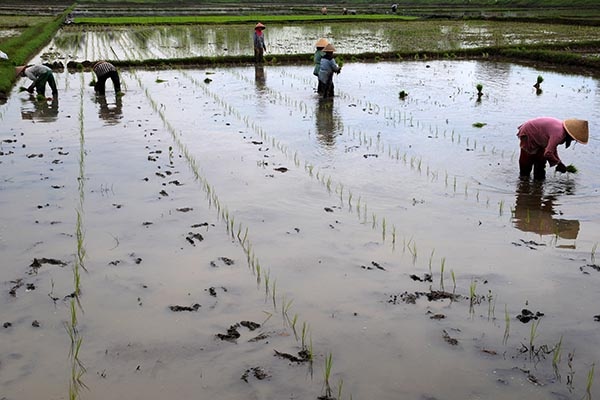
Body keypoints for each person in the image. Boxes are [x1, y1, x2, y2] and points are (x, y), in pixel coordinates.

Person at [517, 117, 588, 180]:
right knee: (527, 161)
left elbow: (552, 149)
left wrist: (558, 161)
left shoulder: (561, 132)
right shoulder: (559, 134)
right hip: (529, 132)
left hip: (540, 135)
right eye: (573, 138)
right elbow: (548, 153)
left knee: (540, 163)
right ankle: (524, 184)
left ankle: (538, 184)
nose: (573, 140)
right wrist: (559, 164)